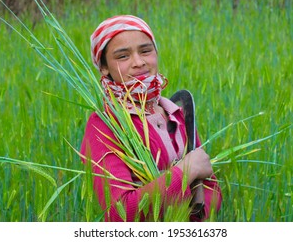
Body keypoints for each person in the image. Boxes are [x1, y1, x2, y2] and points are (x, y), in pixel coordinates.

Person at [80, 15, 222, 221]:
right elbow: (119, 214)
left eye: (146, 51)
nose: (139, 62)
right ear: (103, 67)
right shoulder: (105, 126)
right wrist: (186, 172)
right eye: (122, 56)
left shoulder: (177, 114)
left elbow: (211, 187)